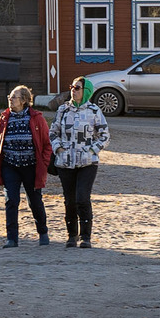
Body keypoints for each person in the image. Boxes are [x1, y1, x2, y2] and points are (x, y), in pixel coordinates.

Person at [48, 77, 111, 248]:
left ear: (86, 91)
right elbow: (53, 132)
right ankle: (71, 235)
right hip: (65, 162)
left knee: (82, 197)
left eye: (77, 87)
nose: (73, 90)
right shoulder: (63, 110)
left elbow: (104, 136)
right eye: (72, 87)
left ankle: (86, 236)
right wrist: (58, 148)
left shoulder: (94, 110)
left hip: (87, 163)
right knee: (69, 200)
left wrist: (91, 150)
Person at [0, 85, 54, 248]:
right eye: (9, 96)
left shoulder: (37, 118)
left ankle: (43, 232)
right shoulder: (4, 118)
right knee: (11, 200)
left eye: (14, 97)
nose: (10, 99)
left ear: (24, 100)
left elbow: (47, 144)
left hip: (31, 166)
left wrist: (44, 163)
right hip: (10, 165)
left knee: (35, 201)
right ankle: (12, 238)